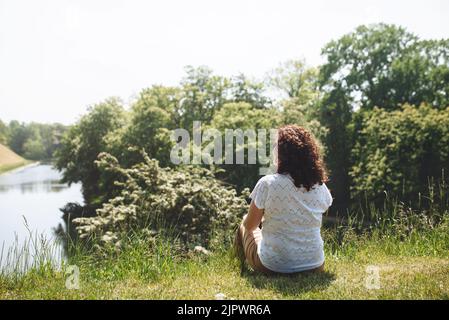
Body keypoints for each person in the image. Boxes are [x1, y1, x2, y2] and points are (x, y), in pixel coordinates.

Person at [234, 125, 333, 274]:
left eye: (275, 146)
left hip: (273, 266)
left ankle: (240, 269)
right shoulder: (319, 185)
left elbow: (250, 226)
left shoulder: (267, 183)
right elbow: (325, 207)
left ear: (281, 153)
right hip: (315, 265)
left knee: (243, 223)